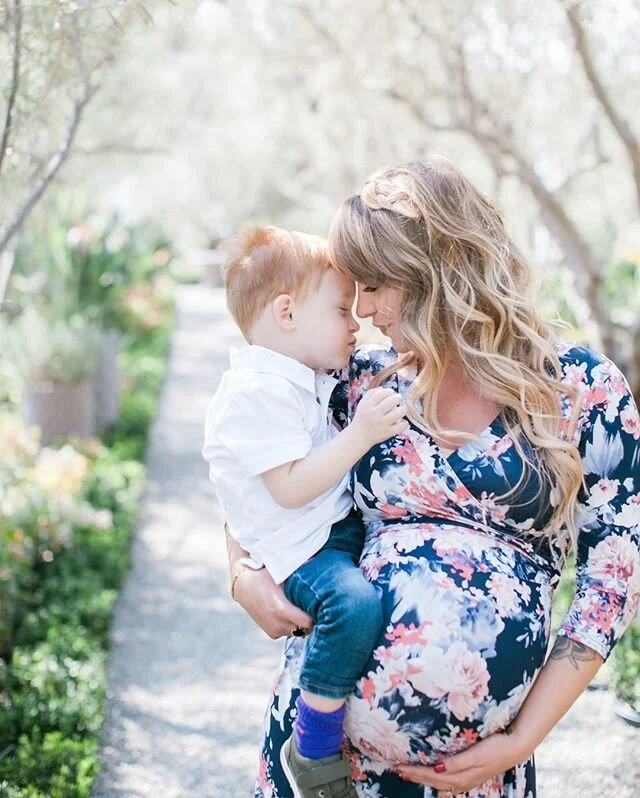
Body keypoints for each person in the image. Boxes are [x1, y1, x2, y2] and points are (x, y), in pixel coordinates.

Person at [227, 156, 640, 798]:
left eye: (374, 285)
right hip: (320, 763)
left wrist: (522, 738)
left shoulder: (582, 391)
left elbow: (611, 582)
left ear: (435, 271)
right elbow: (250, 457)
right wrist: (242, 571)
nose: (360, 310)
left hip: (468, 778)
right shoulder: (360, 381)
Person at [202, 226, 409, 798]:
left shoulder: (301, 375)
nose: (357, 323)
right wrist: (362, 433)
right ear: (287, 312)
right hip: (305, 548)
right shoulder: (256, 392)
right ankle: (313, 746)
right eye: (343, 308)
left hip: (325, 531)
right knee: (353, 603)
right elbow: (290, 488)